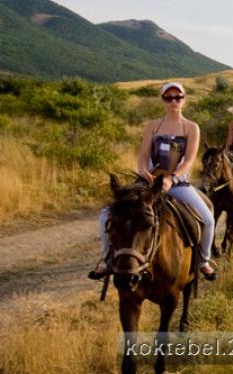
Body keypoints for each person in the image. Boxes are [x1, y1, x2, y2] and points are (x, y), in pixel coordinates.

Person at [89, 82, 217, 280]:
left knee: (208, 219)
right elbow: (143, 154)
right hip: (148, 182)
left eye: (178, 97)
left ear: (184, 99)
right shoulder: (153, 125)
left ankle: (204, 261)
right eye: (169, 97)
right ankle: (107, 261)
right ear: (162, 100)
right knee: (105, 216)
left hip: (177, 183)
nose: (173, 101)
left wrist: (171, 179)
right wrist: (143, 171)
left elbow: (190, 158)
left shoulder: (192, 127)